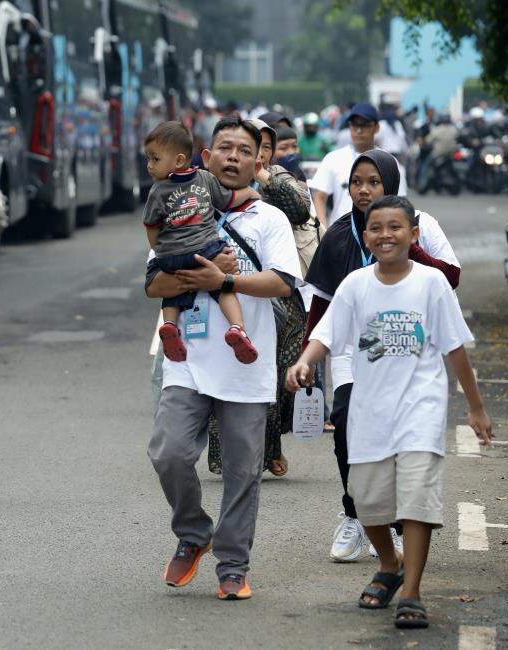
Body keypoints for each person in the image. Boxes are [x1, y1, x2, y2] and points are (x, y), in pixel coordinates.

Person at [287, 195, 492, 629]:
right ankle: (390, 562)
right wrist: (306, 360)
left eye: (395, 227)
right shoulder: (357, 285)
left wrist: (475, 408)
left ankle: (412, 592)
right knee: (368, 502)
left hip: (421, 408)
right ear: (366, 236)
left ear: (413, 234)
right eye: (376, 228)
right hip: (370, 411)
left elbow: (454, 347)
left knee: (416, 502)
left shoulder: (432, 283)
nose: (386, 235)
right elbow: (326, 332)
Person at [145, 115, 302, 599]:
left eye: (243, 149)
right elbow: (154, 283)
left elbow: (282, 281)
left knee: (241, 472)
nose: (232, 156)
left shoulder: (269, 217)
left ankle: (233, 564)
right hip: (187, 358)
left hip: (247, 365)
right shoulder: (178, 206)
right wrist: (198, 279)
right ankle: (193, 533)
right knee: (168, 453)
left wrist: (225, 282)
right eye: (223, 148)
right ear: (205, 158)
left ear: (259, 161)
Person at [304, 149, 461, 563]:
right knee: (346, 433)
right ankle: (355, 515)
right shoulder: (338, 235)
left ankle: (393, 527)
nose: (363, 190)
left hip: (405, 354)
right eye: (356, 182)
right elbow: (321, 302)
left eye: (373, 182)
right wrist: (307, 360)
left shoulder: (420, 225)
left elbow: (453, 277)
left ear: (390, 183)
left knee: (398, 439)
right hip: (352, 357)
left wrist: (410, 245)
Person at [204, 118, 312, 478]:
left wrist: (262, 177)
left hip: (278, 297)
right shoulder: (204, 191)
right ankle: (224, 454)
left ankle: (269, 448)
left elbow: (299, 210)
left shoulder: (278, 180)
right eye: (228, 148)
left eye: (258, 147)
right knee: (224, 378)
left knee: (277, 377)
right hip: (215, 300)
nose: (238, 156)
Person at [144, 121, 260, 364]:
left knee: (171, 296)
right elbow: (228, 200)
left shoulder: (157, 191)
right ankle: (237, 327)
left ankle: (170, 325)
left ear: (177, 161)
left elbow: (152, 226)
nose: (149, 166)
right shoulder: (204, 178)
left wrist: (160, 250)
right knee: (223, 286)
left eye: (154, 159)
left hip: (172, 254)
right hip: (206, 249)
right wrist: (250, 192)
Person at [309, 102, 407, 228]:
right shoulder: (333, 159)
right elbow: (319, 197)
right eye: (354, 125)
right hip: (340, 235)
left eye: (364, 125)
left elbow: (400, 202)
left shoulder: (389, 161)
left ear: (376, 128)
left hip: (378, 236)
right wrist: (323, 232)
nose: (359, 130)